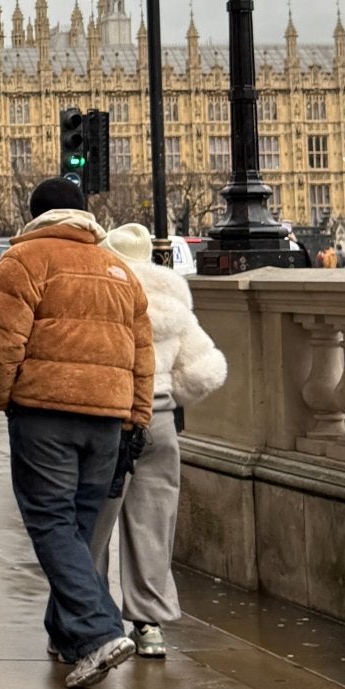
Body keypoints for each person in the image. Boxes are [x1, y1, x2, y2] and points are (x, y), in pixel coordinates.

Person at [0, 177, 154, 689]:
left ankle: (98, 632)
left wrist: (2, 396)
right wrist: (135, 419)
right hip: (108, 419)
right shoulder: (119, 269)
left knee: (51, 522)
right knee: (77, 528)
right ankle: (69, 633)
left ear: (34, 215)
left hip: (45, 412)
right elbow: (143, 355)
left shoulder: (25, 261)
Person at [92, 223, 227, 658]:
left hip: (110, 417)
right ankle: (149, 625)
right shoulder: (173, 301)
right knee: (153, 522)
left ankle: (91, 622)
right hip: (160, 418)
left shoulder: (102, 293)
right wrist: (167, 391)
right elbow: (206, 371)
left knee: (93, 525)